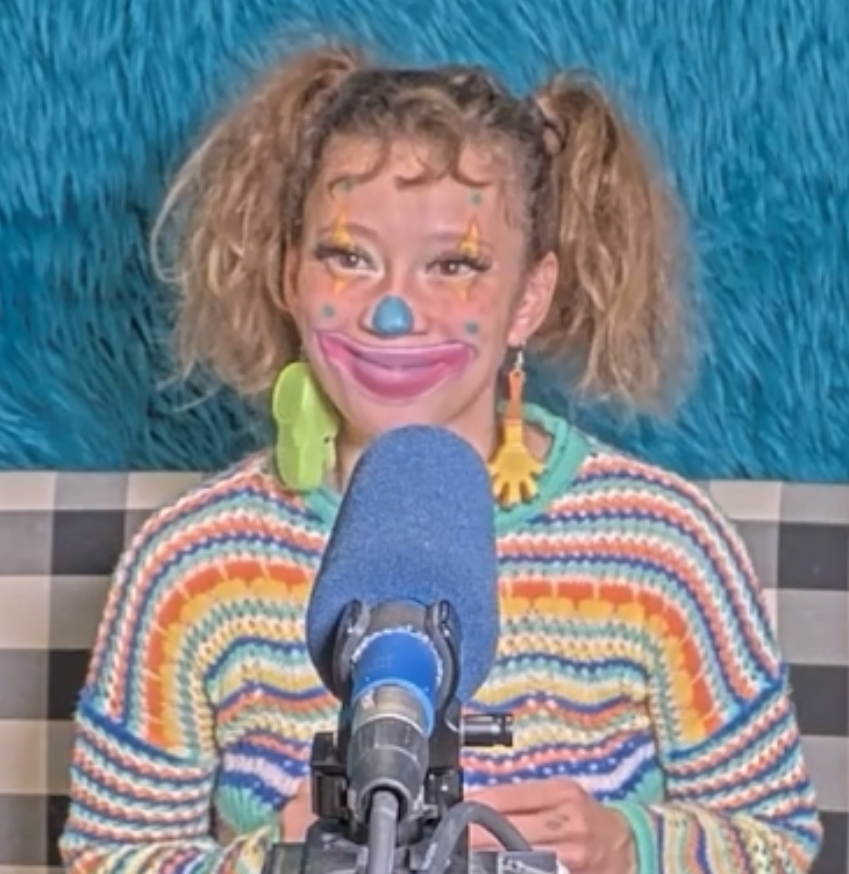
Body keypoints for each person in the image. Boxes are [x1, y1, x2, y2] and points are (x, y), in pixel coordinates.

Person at [59, 40, 822, 874]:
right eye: (347, 257)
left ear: (528, 297)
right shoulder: (190, 566)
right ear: (287, 274)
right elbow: (107, 857)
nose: (392, 313)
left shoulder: (661, 546)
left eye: (453, 265)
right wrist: (275, 857)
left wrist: (627, 844)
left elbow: (777, 844)